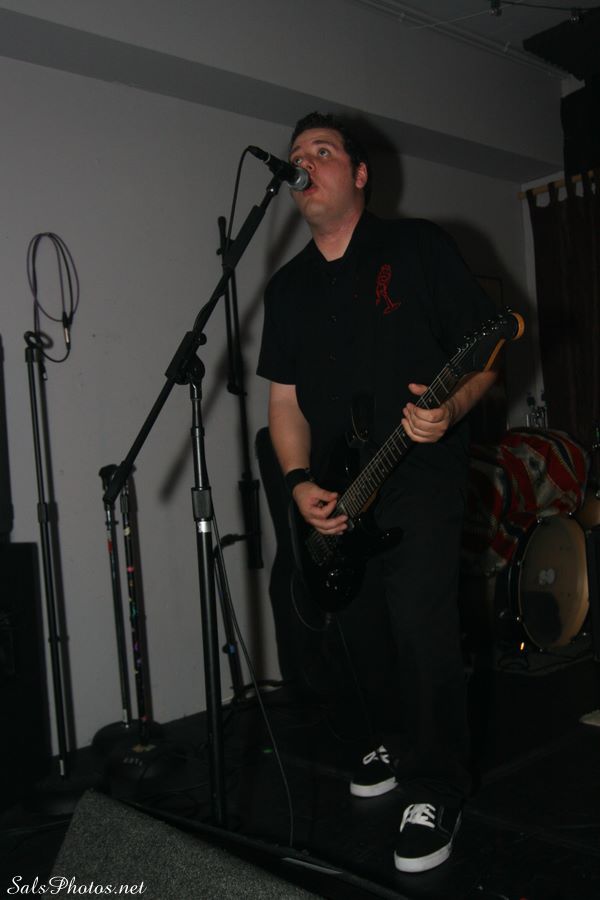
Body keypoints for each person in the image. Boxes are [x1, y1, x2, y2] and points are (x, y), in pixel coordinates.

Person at [257, 111, 499, 874]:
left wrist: (449, 411)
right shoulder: (286, 289)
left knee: (421, 625)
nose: (305, 163)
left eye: (322, 151)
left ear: (360, 174)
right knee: (357, 632)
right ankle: (390, 741)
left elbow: (485, 351)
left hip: (419, 469)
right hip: (337, 485)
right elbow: (284, 403)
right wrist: (297, 480)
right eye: (297, 155)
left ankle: (436, 788)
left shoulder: (417, 247)